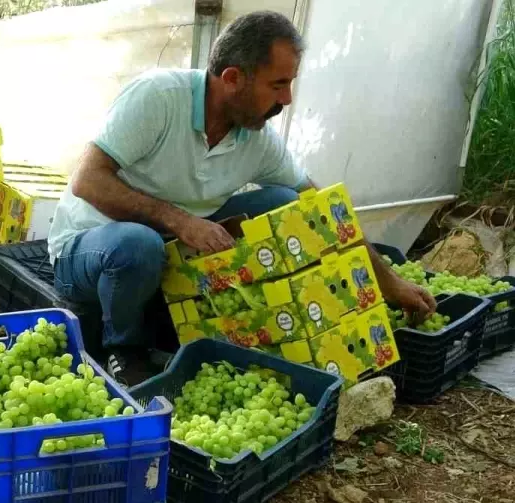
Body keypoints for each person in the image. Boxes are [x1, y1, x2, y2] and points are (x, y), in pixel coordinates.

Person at [48, 10, 436, 385]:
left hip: (171, 249)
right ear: (233, 78)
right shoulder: (160, 98)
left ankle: (241, 318)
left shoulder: (256, 140)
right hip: (93, 245)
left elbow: (320, 208)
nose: (287, 100)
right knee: (138, 244)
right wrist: (181, 221)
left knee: (284, 201)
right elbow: (88, 181)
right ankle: (125, 350)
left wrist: (387, 281)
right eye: (278, 84)